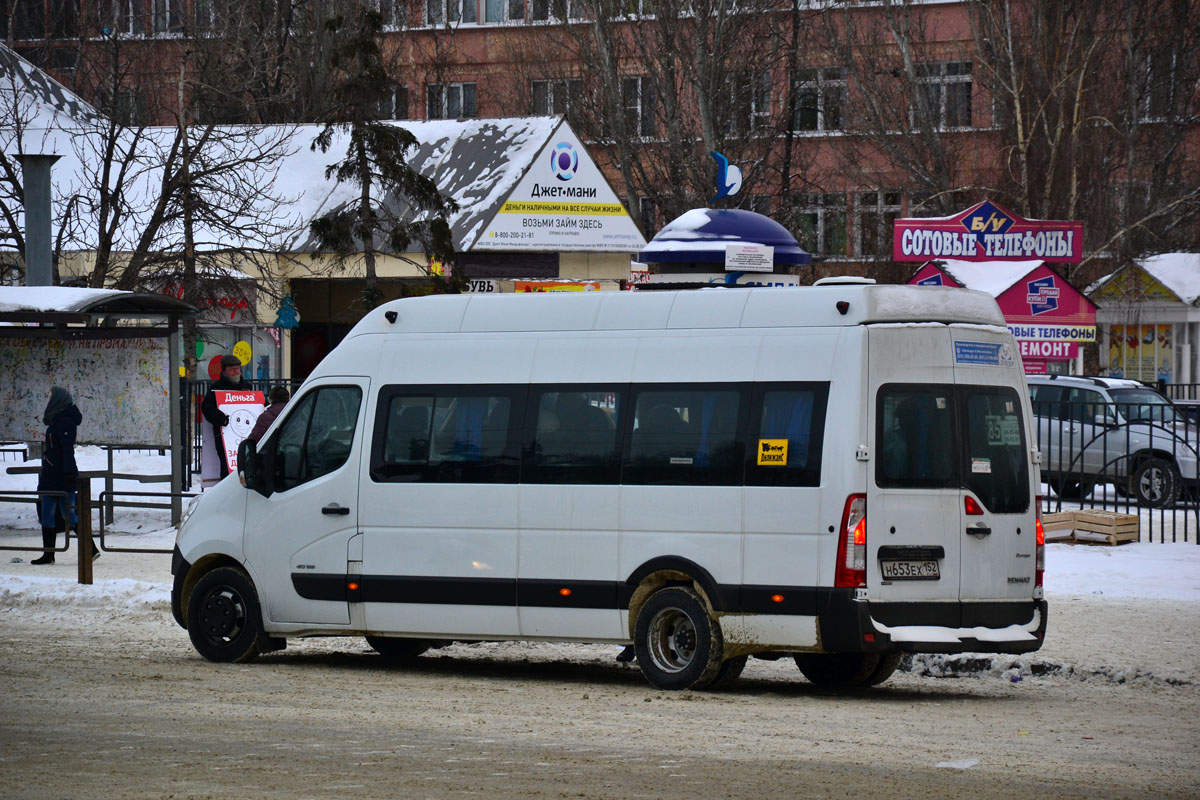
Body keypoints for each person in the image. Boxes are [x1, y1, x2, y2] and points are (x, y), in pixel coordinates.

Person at [31, 387, 82, 565]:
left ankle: (89, 549)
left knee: (70, 514)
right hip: (51, 475)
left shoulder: (65, 420)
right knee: (47, 513)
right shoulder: (57, 419)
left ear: (59, 399)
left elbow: (67, 450)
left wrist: (68, 473)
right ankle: (48, 554)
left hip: (60, 476)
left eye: (51, 396)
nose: (49, 399)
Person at [200, 355, 246, 489]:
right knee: (227, 465)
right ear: (224, 371)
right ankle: (227, 491)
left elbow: (256, 404)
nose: (236, 372)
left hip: (245, 435)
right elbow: (207, 408)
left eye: (238, 369)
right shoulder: (216, 388)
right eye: (233, 369)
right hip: (224, 436)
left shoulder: (246, 387)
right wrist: (221, 418)